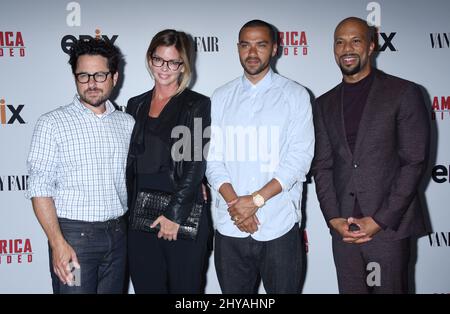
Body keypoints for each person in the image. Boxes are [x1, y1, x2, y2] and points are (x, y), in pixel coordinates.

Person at [312, 17, 430, 294]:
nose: (346, 48)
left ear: (371, 46)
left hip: (387, 230)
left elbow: (413, 162)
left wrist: (379, 220)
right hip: (344, 231)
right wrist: (333, 219)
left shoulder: (403, 93)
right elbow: (323, 166)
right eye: (339, 42)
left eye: (355, 40)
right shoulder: (323, 103)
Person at [206, 19, 314, 294]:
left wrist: (255, 201)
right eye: (246, 45)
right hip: (230, 227)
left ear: (275, 49)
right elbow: (212, 160)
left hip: (279, 224)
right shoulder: (220, 97)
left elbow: (299, 159)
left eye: (261, 45)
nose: (252, 52)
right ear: (238, 48)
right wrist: (236, 206)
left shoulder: (296, 95)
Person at [26, 39, 134, 294]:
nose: (92, 83)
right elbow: (39, 188)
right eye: (83, 75)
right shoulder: (52, 123)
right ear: (75, 77)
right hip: (73, 241)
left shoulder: (127, 123)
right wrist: (57, 243)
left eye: (100, 74)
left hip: (118, 238)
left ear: (114, 77)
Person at [126, 29, 211, 294]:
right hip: (140, 214)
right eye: (158, 59)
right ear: (149, 59)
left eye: (173, 62)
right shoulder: (135, 104)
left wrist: (175, 214)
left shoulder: (196, 105)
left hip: (181, 211)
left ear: (184, 65)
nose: (165, 68)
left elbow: (196, 162)